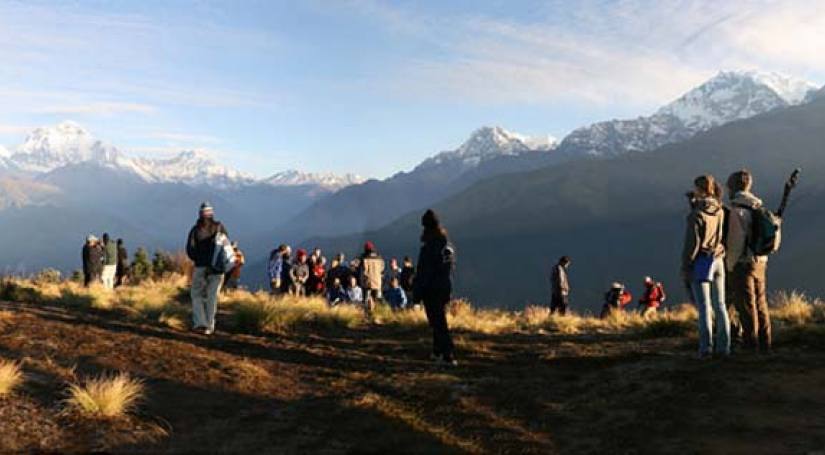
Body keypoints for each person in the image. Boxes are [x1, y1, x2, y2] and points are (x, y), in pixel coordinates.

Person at [682, 175, 729, 358]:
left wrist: (686, 266)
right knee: (720, 304)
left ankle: (705, 348)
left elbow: (691, 245)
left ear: (699, 190)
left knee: (704, 307)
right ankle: (724, 347)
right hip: (718, 259)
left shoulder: (696, 215)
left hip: (701, 261)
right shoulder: (720, 210)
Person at [726, 170, 772, 353]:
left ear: (733, 187)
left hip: (743, 263)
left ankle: (750, 345)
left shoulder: (737, 211)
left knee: (746, 305)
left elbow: (735, 242)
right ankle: (765, 343)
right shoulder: (759, 208)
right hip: (760, 261)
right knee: (761, 303)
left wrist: (730, 265)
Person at [413, 209, 457, 366]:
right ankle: (437, 350)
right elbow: (450, 267)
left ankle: (447, 353)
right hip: (445, 287)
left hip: (431, 290)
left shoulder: (429, 248)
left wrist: (417, 293)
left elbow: (424, 272)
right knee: (439, 319)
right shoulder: (447, 245)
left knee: (437, 322)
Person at [185, 201, 228, 335]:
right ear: (212, 214)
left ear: (200, 214)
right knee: (212, 297)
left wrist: (198, 259)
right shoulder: (219, 227)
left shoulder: (195, 229)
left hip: (201, 267)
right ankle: (210, 326)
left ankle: (200, 323)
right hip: (217, 269)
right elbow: (227, 246)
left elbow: (190, 249)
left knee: (196, 295)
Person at [360, 241, 385, 312]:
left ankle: (366, 313)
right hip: (377, 282)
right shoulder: (379, 257)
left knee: (366, 300)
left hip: (367, 282)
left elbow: (362, 271)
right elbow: (382, 268)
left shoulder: (364, 258)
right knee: (375, 299)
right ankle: (375, 313)